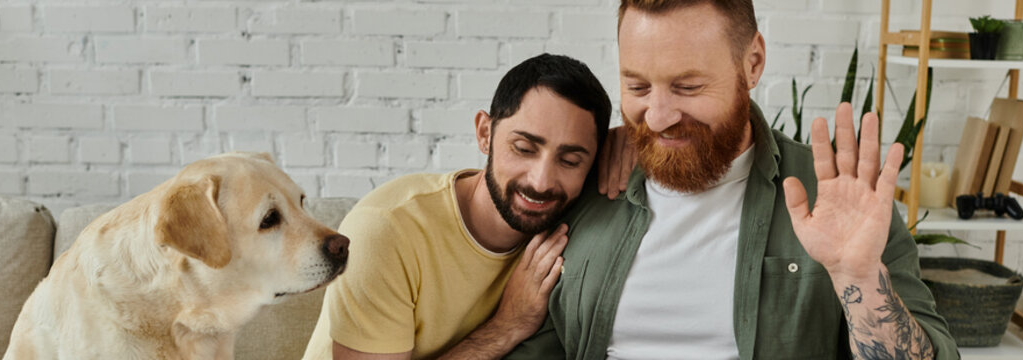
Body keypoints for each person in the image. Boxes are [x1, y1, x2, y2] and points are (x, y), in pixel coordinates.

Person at [505, 1, 959, 359]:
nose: (659, 117)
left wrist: (859, 279)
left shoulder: (837, 198)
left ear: (753, 63)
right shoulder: (584, 181)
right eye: (638, 87)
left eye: (687, 87)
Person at [301, 53, 612, 360]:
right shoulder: (386, 229)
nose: (542, 181)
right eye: (524, 148)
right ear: (484, 134)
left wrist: (629, 142)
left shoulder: (577, 220)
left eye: (570, 161)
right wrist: (507, 326)